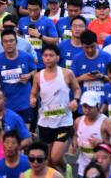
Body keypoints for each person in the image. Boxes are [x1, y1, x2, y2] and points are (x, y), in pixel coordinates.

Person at [29, 45, 80, 175]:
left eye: (51, 55)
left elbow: (77, 89)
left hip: (63, 122)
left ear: (57, 57)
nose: (48, 58)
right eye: (45, 55)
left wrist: (75, 100)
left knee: (55, 158)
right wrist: (33, 99)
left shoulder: (67, 73)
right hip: (45, 122)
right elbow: (34, 93)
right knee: (49, 160)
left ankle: (67, 169)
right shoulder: (38, 76)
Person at [73, 90, 111, 175]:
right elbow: (75, 136)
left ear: (98, 106)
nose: (87, 110)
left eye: (90, 107)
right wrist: (74, 144)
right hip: (83, 169)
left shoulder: (106, 122)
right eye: (84, 106)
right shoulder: (78, 121)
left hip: (103, 171)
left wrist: (102, 143)